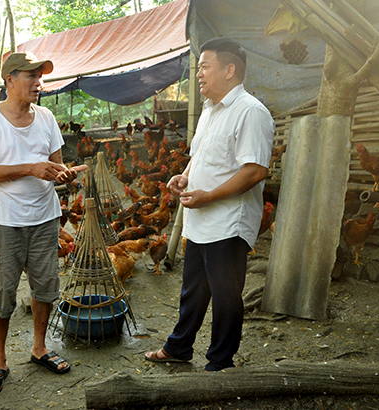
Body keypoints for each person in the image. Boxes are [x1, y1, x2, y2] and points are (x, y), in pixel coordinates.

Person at [144, 38, 274, 371]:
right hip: (200, 219)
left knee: (226, 296)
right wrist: (185, 176)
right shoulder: (210, 109)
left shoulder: (250, 112)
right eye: (198, 67)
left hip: (228, 222)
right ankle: (179, 348)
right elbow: (201, 155)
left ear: (229, 70)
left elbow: (255, 170)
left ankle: (220, 361)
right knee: (193, 290)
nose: (198, 74)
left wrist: (208, 196)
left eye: (204, 66)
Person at [0, 52, 84, 395]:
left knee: (45, 287)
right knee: (3, 292)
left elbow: (55, 166)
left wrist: (65, 176)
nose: (39, 83)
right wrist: (30, 168)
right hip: (3, 221)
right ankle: (0, 359)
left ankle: (39, 347)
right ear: (9, 80)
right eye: (31, 76)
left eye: (41, 77)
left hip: (44, 217)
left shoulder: (47, 117)